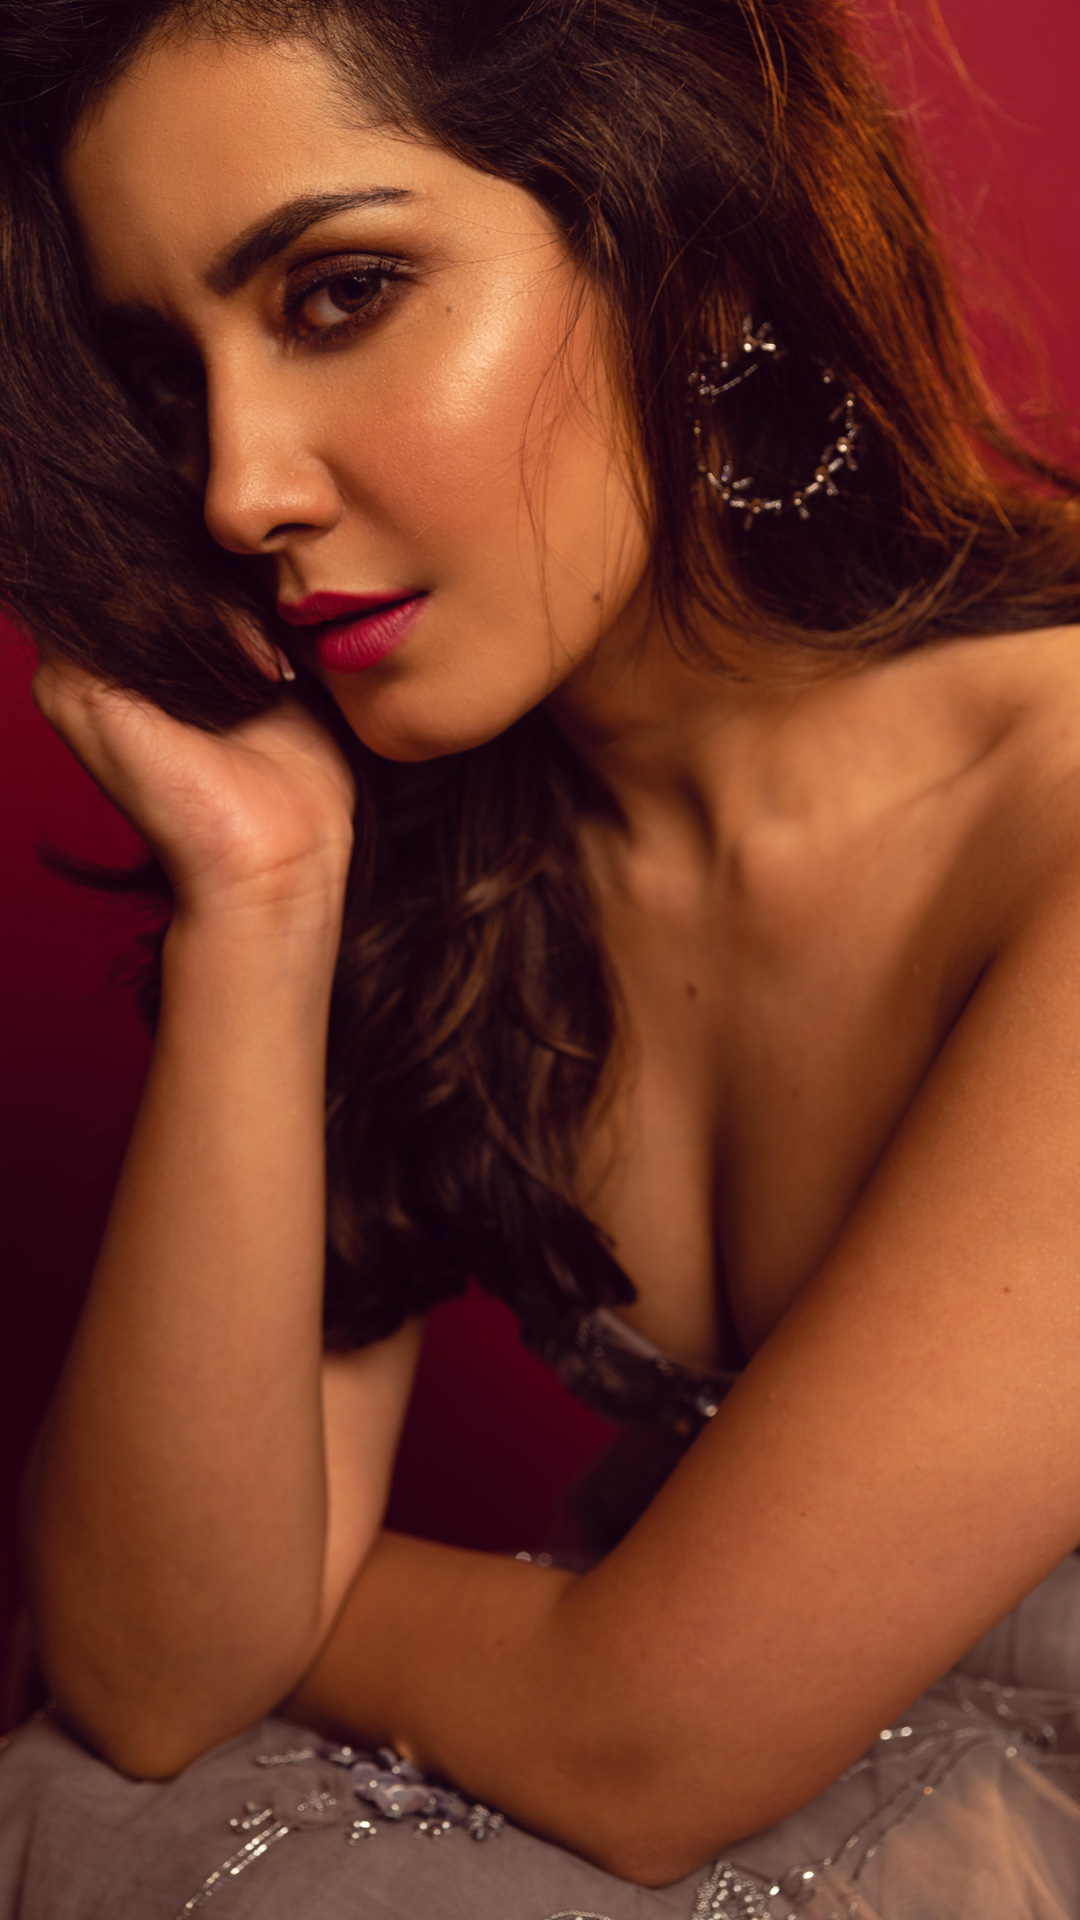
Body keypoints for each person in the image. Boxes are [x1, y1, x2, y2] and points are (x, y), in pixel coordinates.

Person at [2, 0, 1080, 1913]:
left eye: (341, 295)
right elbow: (151, 1683)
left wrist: (301, 1599)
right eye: (168, 378)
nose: (238, 490)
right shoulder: (445, 859)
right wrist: (259, 898)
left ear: (698, 262)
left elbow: (651, 1746)